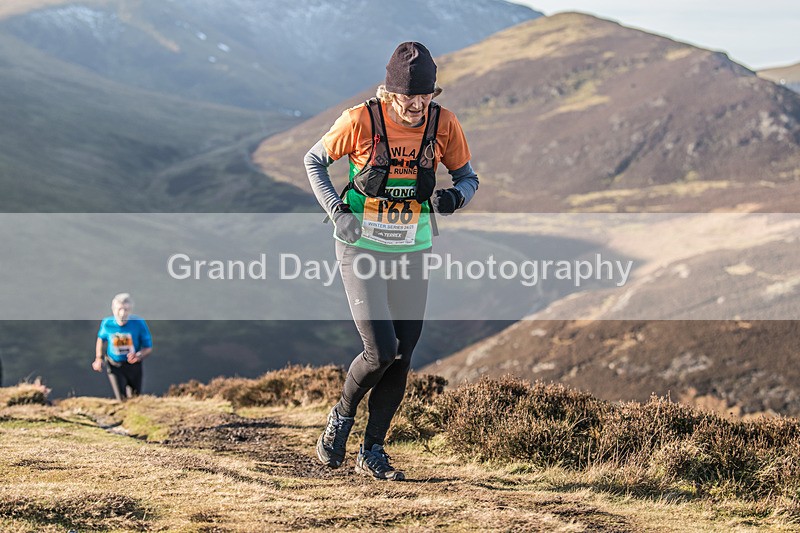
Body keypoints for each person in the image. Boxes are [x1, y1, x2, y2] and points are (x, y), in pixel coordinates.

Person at [305, 42, 479, 480]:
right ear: (389, 93)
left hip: (412, 249)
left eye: (425, 96)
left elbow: (468, 177)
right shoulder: (360, 120)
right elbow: (314, 161)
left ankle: (373, 451)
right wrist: (337, 211)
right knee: (380, 350)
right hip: (360, 246)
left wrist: (456, 197)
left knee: (402, 355)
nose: (417, 105)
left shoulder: (444, 124)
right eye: (407, 97)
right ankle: (341, 418)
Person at [92, 293, 153, 401]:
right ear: (113, 309)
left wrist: (138, 355)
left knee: (135, 397)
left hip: (133, 365)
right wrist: (98, 358)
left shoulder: (138, 323)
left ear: (130, 311)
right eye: (119, 309)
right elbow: (101, 339)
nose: (122, 313)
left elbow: (148, 347)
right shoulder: (107, 323)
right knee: (122, 398)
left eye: (126, 310)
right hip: (115, 365)